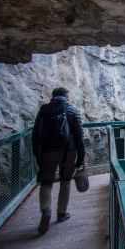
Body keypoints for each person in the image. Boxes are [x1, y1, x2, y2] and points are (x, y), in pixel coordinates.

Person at [32, 87, 85, 235]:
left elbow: (36, 134)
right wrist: (81, 158)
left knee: (46, 182)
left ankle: (46, 211)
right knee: (65, 180)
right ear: (66, 97)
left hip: (48, 152)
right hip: (69, 151)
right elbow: (79, 137)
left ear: (53, 96)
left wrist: (37, 155)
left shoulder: (44, 110)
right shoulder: (72, 110)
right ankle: (61, 213)